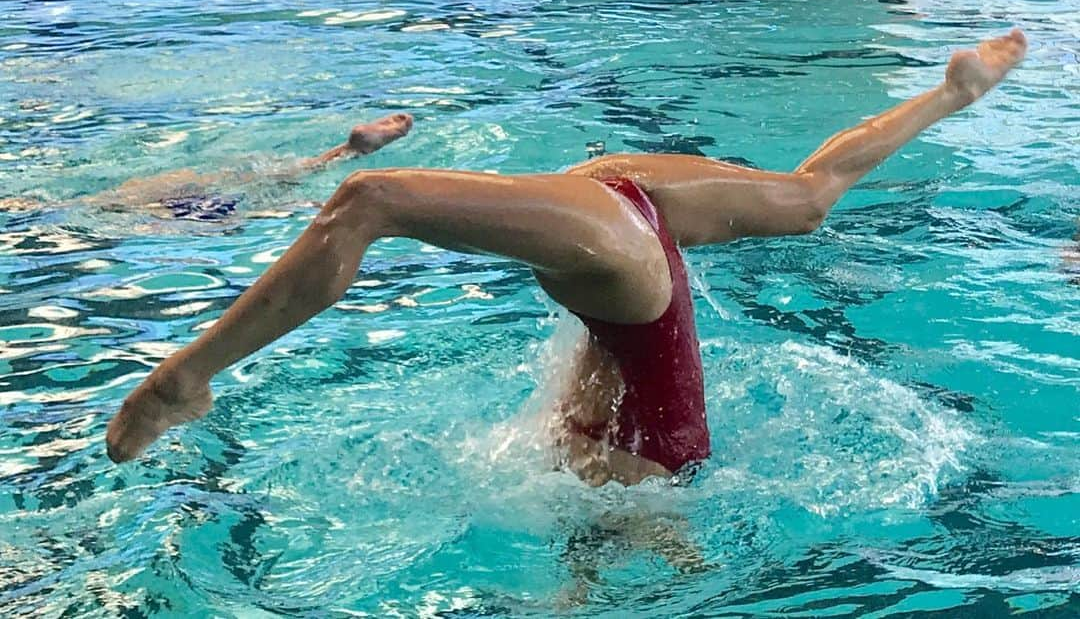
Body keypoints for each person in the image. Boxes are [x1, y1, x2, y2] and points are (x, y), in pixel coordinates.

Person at [104, 30, 1028, 486]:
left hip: (629, 218)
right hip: (625, 254)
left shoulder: (645, 465)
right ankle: (184, 378)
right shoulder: (639, 478)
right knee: (367, 201)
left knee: (808, 193)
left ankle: (953, 93)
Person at [0, 114, 415, 220]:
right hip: (170, 194)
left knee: (279, 199)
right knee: (276, 183)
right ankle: (346, 152)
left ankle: (346, 155)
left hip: (161, 210)